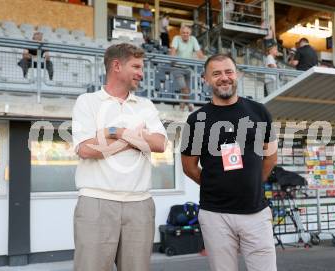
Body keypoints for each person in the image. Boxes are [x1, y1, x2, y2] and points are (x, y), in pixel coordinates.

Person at [71, 43, 167, 271]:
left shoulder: (146, 105)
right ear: (116, 65)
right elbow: (86, 149)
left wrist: (115, 133)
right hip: (96, 202)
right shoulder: (87, 102)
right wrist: (134, 138)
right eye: (135, 66)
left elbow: (160, 144)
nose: (141, 73)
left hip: (140, 204)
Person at [181, 54, 278, 271]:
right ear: (205, 79)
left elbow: (271, 157)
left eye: (228, 72)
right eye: (216, 74)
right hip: (216, 216)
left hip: (256, 213)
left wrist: (253, 182)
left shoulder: (259, 112)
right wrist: (213, 186)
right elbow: (188, 166)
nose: (224, 78)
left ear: (238, 75)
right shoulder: (196, 120)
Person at [170, 25, 205, 112]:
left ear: (190, 33)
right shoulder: (176, 38)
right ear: (180, 33)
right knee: (184, 88)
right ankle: (189, 104)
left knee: (185, 89)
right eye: (183, 33)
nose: (185, 34)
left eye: (187, 33)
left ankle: (181, 108)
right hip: (177, 67)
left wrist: (205, 61)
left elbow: (199, 53)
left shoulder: (193, 39)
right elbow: (173, 50)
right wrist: (173, 59)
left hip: (187, 67)